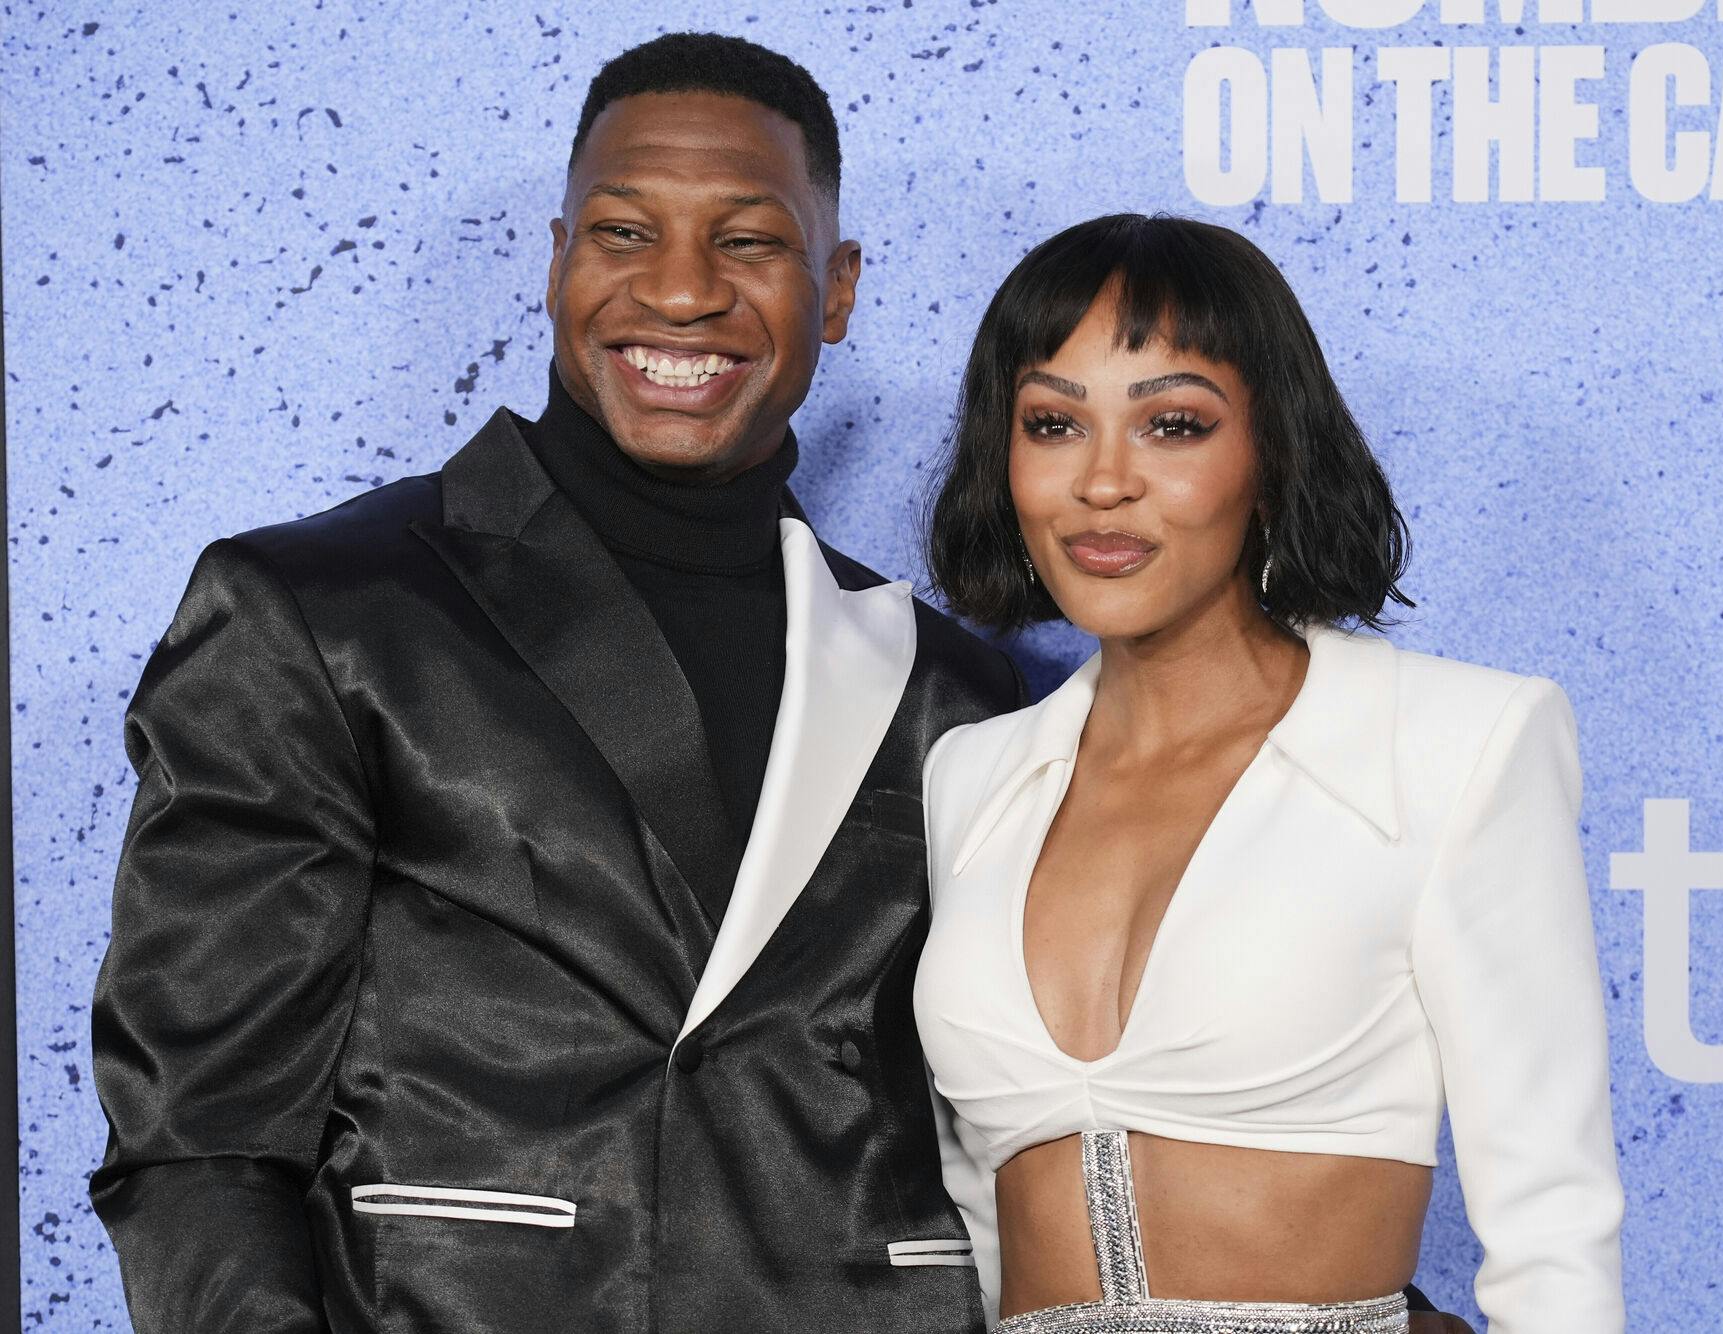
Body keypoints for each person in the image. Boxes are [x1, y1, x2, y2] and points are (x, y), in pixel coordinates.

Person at [88, 33, 1027, 1334]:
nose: (681, 292)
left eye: (749, 241)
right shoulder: (318, 614)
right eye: (625, 233)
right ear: (557, 259)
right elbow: (202, 1142)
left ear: (841, 286)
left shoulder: (961, 692)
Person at [916, 214, 1626, 1333]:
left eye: (1174, 425)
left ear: (1273, 451)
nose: (1104, 482)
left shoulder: (1456, 741)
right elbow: (976, 1209)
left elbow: (1553, 1227)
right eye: (1054, 423)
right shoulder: (972, 773)